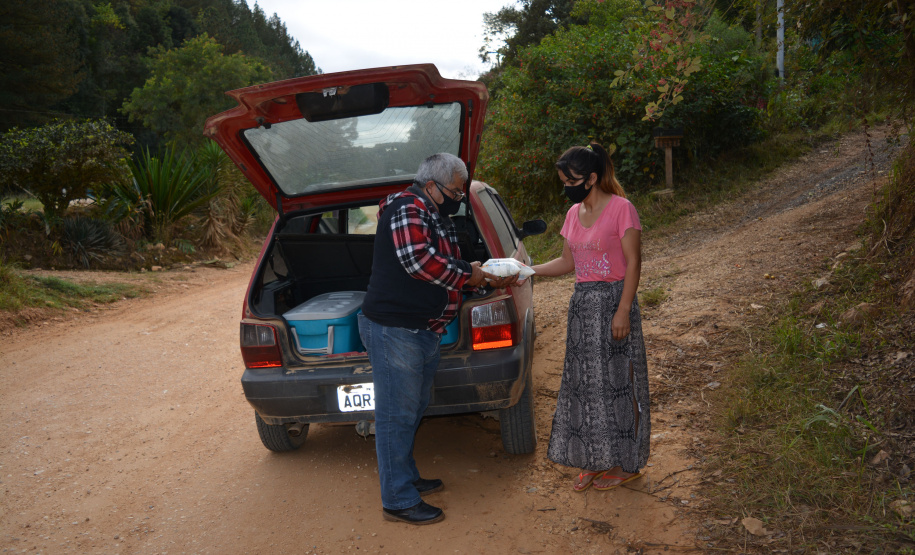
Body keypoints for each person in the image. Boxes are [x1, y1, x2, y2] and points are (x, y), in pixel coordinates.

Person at [359, 153, 517, 525]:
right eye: (456, 191)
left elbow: (444, 264)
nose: (459, 198)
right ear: (431, 186)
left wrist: (478, 276)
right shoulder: (409, 208)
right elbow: (419, 262)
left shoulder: (431, 211)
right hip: (396, 331)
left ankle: (406, 477)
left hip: (421, 329)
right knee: (396, 416)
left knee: (412, 409)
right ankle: (397, 499)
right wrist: (472, 275)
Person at [530, 142, 650, 493]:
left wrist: (623, 309)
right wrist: (527, 269)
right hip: (583, 308)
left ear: (593, 177)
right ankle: (597, 459)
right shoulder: (573, 215)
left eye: (572, 179)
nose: (567, 185)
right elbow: (568, 262)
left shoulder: (622, 209)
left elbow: (633, 263)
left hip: (614, 302)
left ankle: (624, 463)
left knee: (618, 383)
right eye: (563, 180)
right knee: (585, 386)